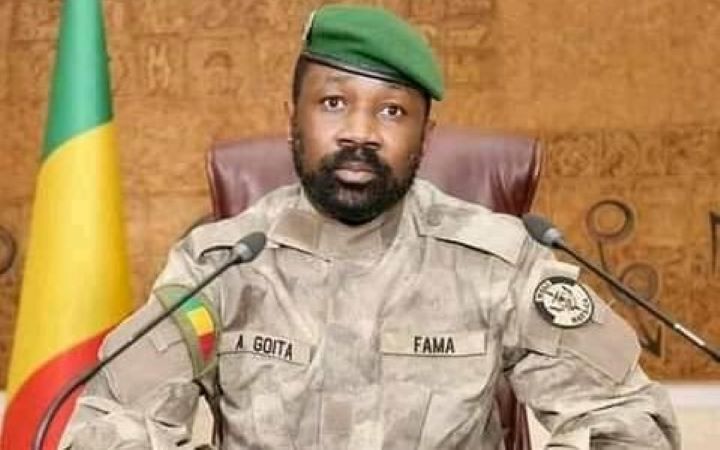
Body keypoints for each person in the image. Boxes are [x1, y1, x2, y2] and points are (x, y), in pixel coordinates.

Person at [61, 4, 679, 449]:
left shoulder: (501, 263)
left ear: (425, 136)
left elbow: (628, 421)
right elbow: (109, 423)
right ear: (292, 119)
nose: (360, 132)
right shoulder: (219, 266)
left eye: (391, 111)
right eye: (334, 103)